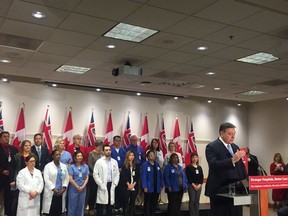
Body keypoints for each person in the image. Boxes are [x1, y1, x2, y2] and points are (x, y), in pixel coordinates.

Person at [205, 122, 247, 216]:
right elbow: (214, 165)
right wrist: (232, 160)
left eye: (234, 134)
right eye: (230, 134)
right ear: (221, 133)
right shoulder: (212, 146)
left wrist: (246, 180)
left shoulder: (235, 147)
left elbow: (240, 167)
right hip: (220, 191)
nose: (233, 136)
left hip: (236, 190)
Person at [93, 144, 120, 216]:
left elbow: (117, 174)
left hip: (111, 184)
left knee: (110, 205)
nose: (108, 152)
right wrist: (101, 184)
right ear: (103, 151)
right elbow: (95, 174)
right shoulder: (99, 162)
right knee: (101, 205)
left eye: (109, 150)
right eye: (106, 150)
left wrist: (115, 183)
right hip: (103, 184)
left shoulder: (114, 162)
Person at [42, 149, 69, 216]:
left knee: (59, 212)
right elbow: (46, 179)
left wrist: (64, 188)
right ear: (52, 156)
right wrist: (54, 189)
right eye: (56, 155)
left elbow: (66, 178)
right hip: (52, 192)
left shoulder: (64, 166)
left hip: (61, 193)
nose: (58, 156)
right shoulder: (48, 166)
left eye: (59, 154)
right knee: (51, 211)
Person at [0, 131, 18, 216]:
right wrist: (2, 171)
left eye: (8, 136)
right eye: (4, 136)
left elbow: (16, 163)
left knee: (9, 197)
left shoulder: (14, 149)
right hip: (1, 176)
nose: (7, 138)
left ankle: (8, 213)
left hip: (10, 178)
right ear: (0, 138)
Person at [13, 140, 33, 215]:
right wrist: (14, 180)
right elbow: (14, 168)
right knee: (16, 199)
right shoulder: (17, 156)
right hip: (19, 179)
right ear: (22, 147)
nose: (27, 147)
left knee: (28, 198)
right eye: (26, 145)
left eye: (29, 145)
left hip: (29, 180)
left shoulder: (32, 156)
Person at [141, 150, 163, 216]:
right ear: (147, 156)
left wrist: (161, 184)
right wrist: (144, 186)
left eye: (153, 155)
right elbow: (143, 176)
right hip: (148, 187)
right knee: (147, 202)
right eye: (150, 155)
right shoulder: (145, 165)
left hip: (156, 187)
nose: (152, 156)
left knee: (154, 202)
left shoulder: (157, 165)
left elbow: (160, 175)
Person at [68, 151, 89, 216]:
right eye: (78, 156)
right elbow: (70, 179)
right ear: (75, 158)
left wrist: (83, 186)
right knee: (72, 206)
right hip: (73, 188)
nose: (80, 157)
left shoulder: (85, 166)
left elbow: (87, 178)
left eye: (81, 156)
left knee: (81, 206)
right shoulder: (71, 167)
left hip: (83, 189)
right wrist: (77, 187)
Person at [121, 150, 140, 216]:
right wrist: (128, 184)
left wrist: (133, 184)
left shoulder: (137, 166)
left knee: (132, 203)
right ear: (127, 156)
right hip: (126, 187)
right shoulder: (124, 166)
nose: (131, 157)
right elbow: (123, 176)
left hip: (134, 186)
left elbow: (137, 176)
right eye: (130, 155)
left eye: (132, 155)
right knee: (125, 203)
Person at [87, 139, 104, 216]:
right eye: (99, 147)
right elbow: (89, 164)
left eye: (101, 147)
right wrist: (96, 171)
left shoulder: (103, 154)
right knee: (93, 192)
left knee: (100, 192)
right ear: (96, 146)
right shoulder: (91, 154)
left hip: (101, 176)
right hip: (93, 176)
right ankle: (91, 208)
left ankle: (98, 208)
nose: (100, 148)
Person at [111, 135, 126, 213]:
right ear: (113, 141)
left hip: (122, 173)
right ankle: (114, 206)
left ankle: (120, 206)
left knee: (121, 190)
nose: (118, 142)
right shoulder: (110, 150)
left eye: (120, 141)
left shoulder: (123, 150)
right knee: (114, 189)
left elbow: (125, 161)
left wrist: (122, 169)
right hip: (113, 173)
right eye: (117, 140)